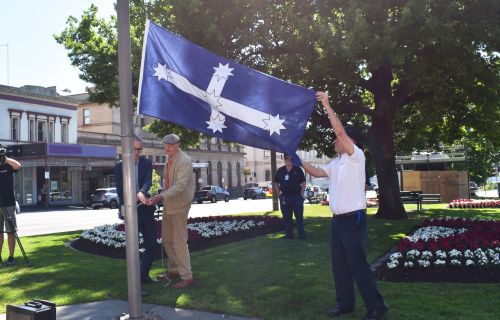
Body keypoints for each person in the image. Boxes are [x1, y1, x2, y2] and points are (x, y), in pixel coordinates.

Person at [298, 91, 388, 320]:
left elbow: (338, 130)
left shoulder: (356, 156)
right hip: (338, 222)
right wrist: (297, 159)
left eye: (339, 139)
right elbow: (317, 171)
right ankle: (345, 304)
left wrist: (327, 105)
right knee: (339, 267)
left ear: (351, 141)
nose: (335, 140)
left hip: (353, 220)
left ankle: (377, 307)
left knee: (358, 266)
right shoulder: (336, 162)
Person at [149, 134, 195, 289]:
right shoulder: (170, 159)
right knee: (167, 239)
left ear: (177, 145)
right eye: (165, 145)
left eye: (169, 145)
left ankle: (187, 277)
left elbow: (180, 186)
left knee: (179, 241)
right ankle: (174, 270)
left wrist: (160, 196)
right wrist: (161, 195)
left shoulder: (184, 161)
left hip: (180, 206)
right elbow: (169, 184)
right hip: (169, 204)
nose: (166, 148)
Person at [114, 136, 157, 283]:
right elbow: (120, 191)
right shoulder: (120, 167)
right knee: (133, 247)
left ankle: (143, 274)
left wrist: (142, 193)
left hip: (145, 208)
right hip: (130, 210)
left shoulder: (146, 163)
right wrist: (130, 200)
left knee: (151, 243)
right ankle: (134, 280)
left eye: (139, 149)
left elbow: (147, 181)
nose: (137, 152)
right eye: (134, 149)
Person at [274, 154, 307, 239]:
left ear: (292, 159)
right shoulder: (280, 170)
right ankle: (288, 235)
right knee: (287, 218)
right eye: (286, 159)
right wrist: (279, 195)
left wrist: (301, 195)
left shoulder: (298, 169)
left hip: (296, 197)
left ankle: (302, 235)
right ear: (284, 159)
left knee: (299, 217)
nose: (287, 160)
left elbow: (303, 182)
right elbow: (276, 182)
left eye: (289, 159)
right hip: (285, 198)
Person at [0, 149, 22, 267]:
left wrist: (5, 159)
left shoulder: (8, 165)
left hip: (9, 203)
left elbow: (18, 165)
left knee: (11, 232)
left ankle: (11, 257)